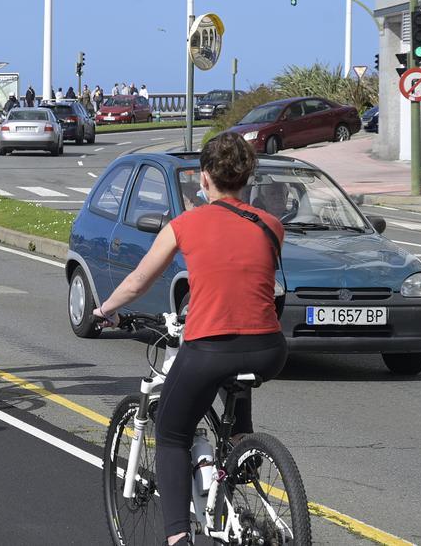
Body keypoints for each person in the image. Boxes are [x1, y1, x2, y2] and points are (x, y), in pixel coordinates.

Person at [92, 132, 288, 546]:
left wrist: (105, 309)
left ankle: (177, 536)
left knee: (171, 432)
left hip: (210, 347)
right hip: (269, 348)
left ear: (203, 179)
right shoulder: (271, 226)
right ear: (247, 177)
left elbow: (139, 280)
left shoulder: (185, 224)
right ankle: (241, 452)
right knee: (237, 377)